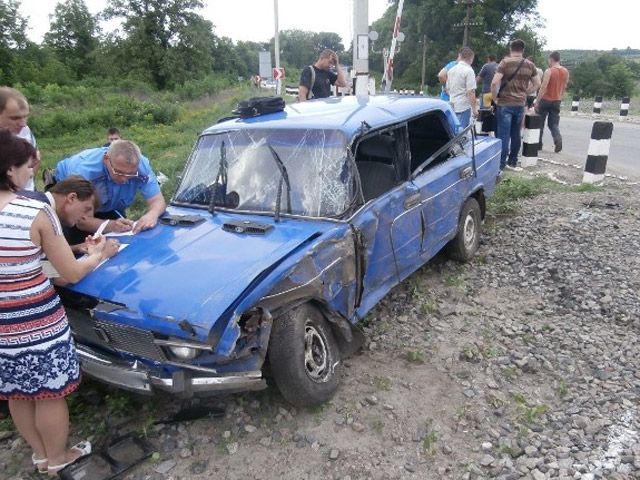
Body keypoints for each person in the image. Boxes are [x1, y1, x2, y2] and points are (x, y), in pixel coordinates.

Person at [0, 129, 118, 475]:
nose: (30, 176)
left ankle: (39, 456)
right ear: (9, 169)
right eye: (27, 169)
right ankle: (58, 458)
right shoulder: (33, 211)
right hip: (35, 316)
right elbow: (71, 273)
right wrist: (99, 253)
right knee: (49, 393)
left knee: (17, 391)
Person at [54, 139, 167, 242]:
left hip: (112, 201)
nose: (124, 179)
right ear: (106, 159)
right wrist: (111, 225)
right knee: (83, 245)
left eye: (131, 174)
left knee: (120, 238)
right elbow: (81, 221)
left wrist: (152, 214)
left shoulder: (141, 165)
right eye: (119, 172)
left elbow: (157, 200)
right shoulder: (83, 172)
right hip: (75, 202)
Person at [20, 175, 120, 256]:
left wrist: (76, 248)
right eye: (86, 209)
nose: (85, 217)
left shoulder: (33, 200)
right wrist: (102, 255)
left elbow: (46, 254)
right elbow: (62, 277)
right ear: (72, 198)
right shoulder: (45, 215)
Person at [490, 39, 541, 169]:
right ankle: (513, 160)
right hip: (520, 103)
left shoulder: (505, 62)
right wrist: (525, 92)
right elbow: (537, 84)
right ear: (523, 50)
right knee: (515, 133)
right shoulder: (530, 65)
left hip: (505, 103)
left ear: (510, 49)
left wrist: (495, 97)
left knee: (503, 134)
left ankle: (501, 163)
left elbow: (494, 82)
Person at [0, 87, 40, 191]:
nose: (23, 123)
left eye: (25, 116)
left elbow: (35, 160)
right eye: (15, 118)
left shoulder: (25, 130)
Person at [534, 51, 570, 153]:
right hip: (557, 100)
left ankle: (538, 144)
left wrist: (537, 101)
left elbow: (544, 86)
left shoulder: (549, 71)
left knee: (540, 123)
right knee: (553, 123)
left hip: (546, 99)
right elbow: (565, 85)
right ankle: (557, 138)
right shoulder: (565, 71)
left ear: (551, 59)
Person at [446, 47, 478, 129]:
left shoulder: (451, 70)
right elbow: (470, 92)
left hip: (452, 104)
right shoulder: (469, 71)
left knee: (453, 131)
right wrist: (474, 109)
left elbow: (447, 89)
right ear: (471, 58)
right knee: (462, 133)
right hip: (463, 106)